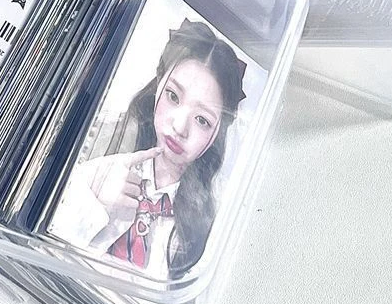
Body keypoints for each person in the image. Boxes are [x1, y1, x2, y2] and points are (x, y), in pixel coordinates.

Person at [50, 19, 247, 279]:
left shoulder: (212, 220)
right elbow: (43, 251)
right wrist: (95, 206)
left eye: (202, 120)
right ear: (159, 84)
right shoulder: (96, 142)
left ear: (217, 134)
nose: (180, 127)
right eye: (173, 96)